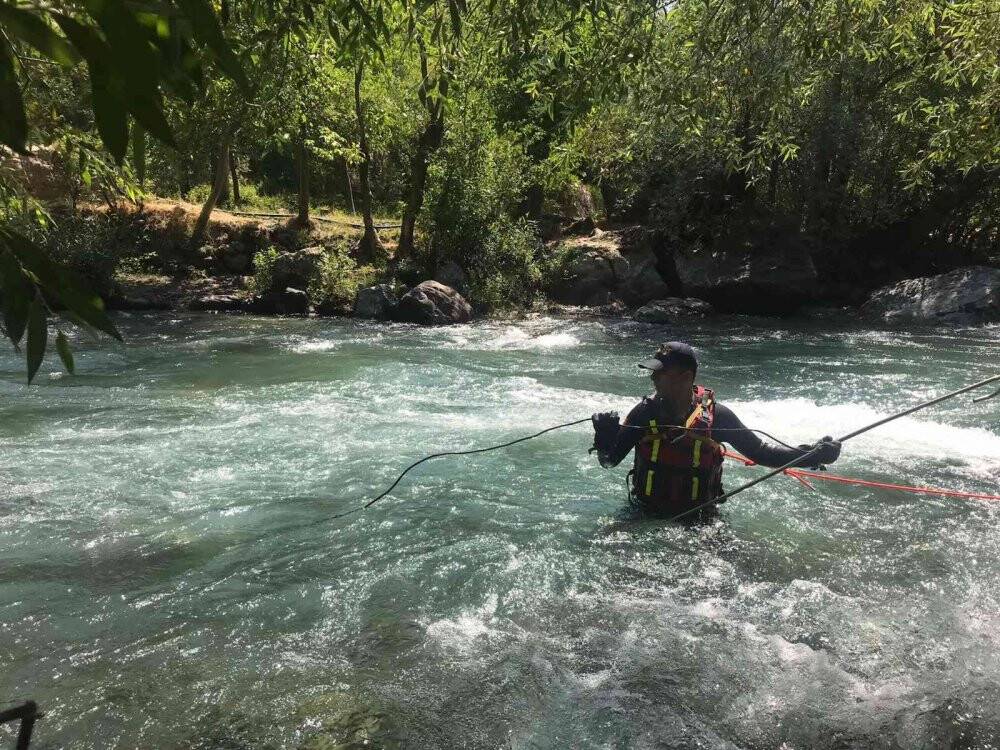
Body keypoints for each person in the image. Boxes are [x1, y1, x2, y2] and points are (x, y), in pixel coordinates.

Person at [591, 341, 841, 519]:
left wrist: (812, 455)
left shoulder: (717, 416)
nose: (653, 378)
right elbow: (610, 461)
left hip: (701, 519)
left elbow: (762, 453)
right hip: (645, 513)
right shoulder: (643, 413)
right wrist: (604, 438)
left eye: (661, 372)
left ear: (685, 377)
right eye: (653, 372)